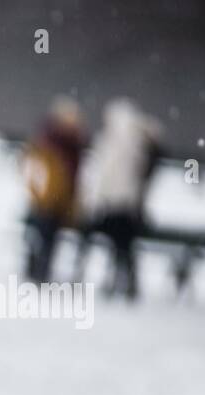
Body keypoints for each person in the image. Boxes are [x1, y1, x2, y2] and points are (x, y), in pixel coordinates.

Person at [81, 98, 162, 300]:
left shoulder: (117, 142)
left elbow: (106, 177)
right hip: (127, 209)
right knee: (124, 249)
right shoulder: (137, 141)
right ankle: (126, 285)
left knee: (119, 248)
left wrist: (99, 199)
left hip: (116, 207)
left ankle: (116, 283)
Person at [22, 96, 84, 282]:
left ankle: (39, 271)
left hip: (53, 201)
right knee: (44, 237)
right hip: (48, 200)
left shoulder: (63, 143)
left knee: (44, 238)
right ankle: (38, 272)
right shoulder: (55, 144)